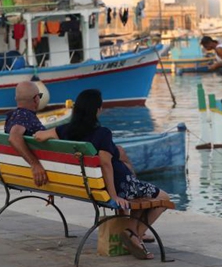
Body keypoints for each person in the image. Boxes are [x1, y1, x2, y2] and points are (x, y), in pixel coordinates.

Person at [34, 89, 169, 260]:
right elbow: (106, 163)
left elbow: (39, 137)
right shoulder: (102, 133)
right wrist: (114, 196)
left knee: (140, 193)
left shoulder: (65, 130)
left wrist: (38, 134)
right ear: (97, 110)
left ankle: (134, 232)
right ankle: (135, 234)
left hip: (91, 185)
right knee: (163, 199)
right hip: (120, 185)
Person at [4, 81, 48, 186]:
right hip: (42, 173)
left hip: (17, 171)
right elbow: (14, 138)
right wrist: (35, 164)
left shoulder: (11, 116)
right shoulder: (25, 116)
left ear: (16, 99)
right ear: (36, 98)